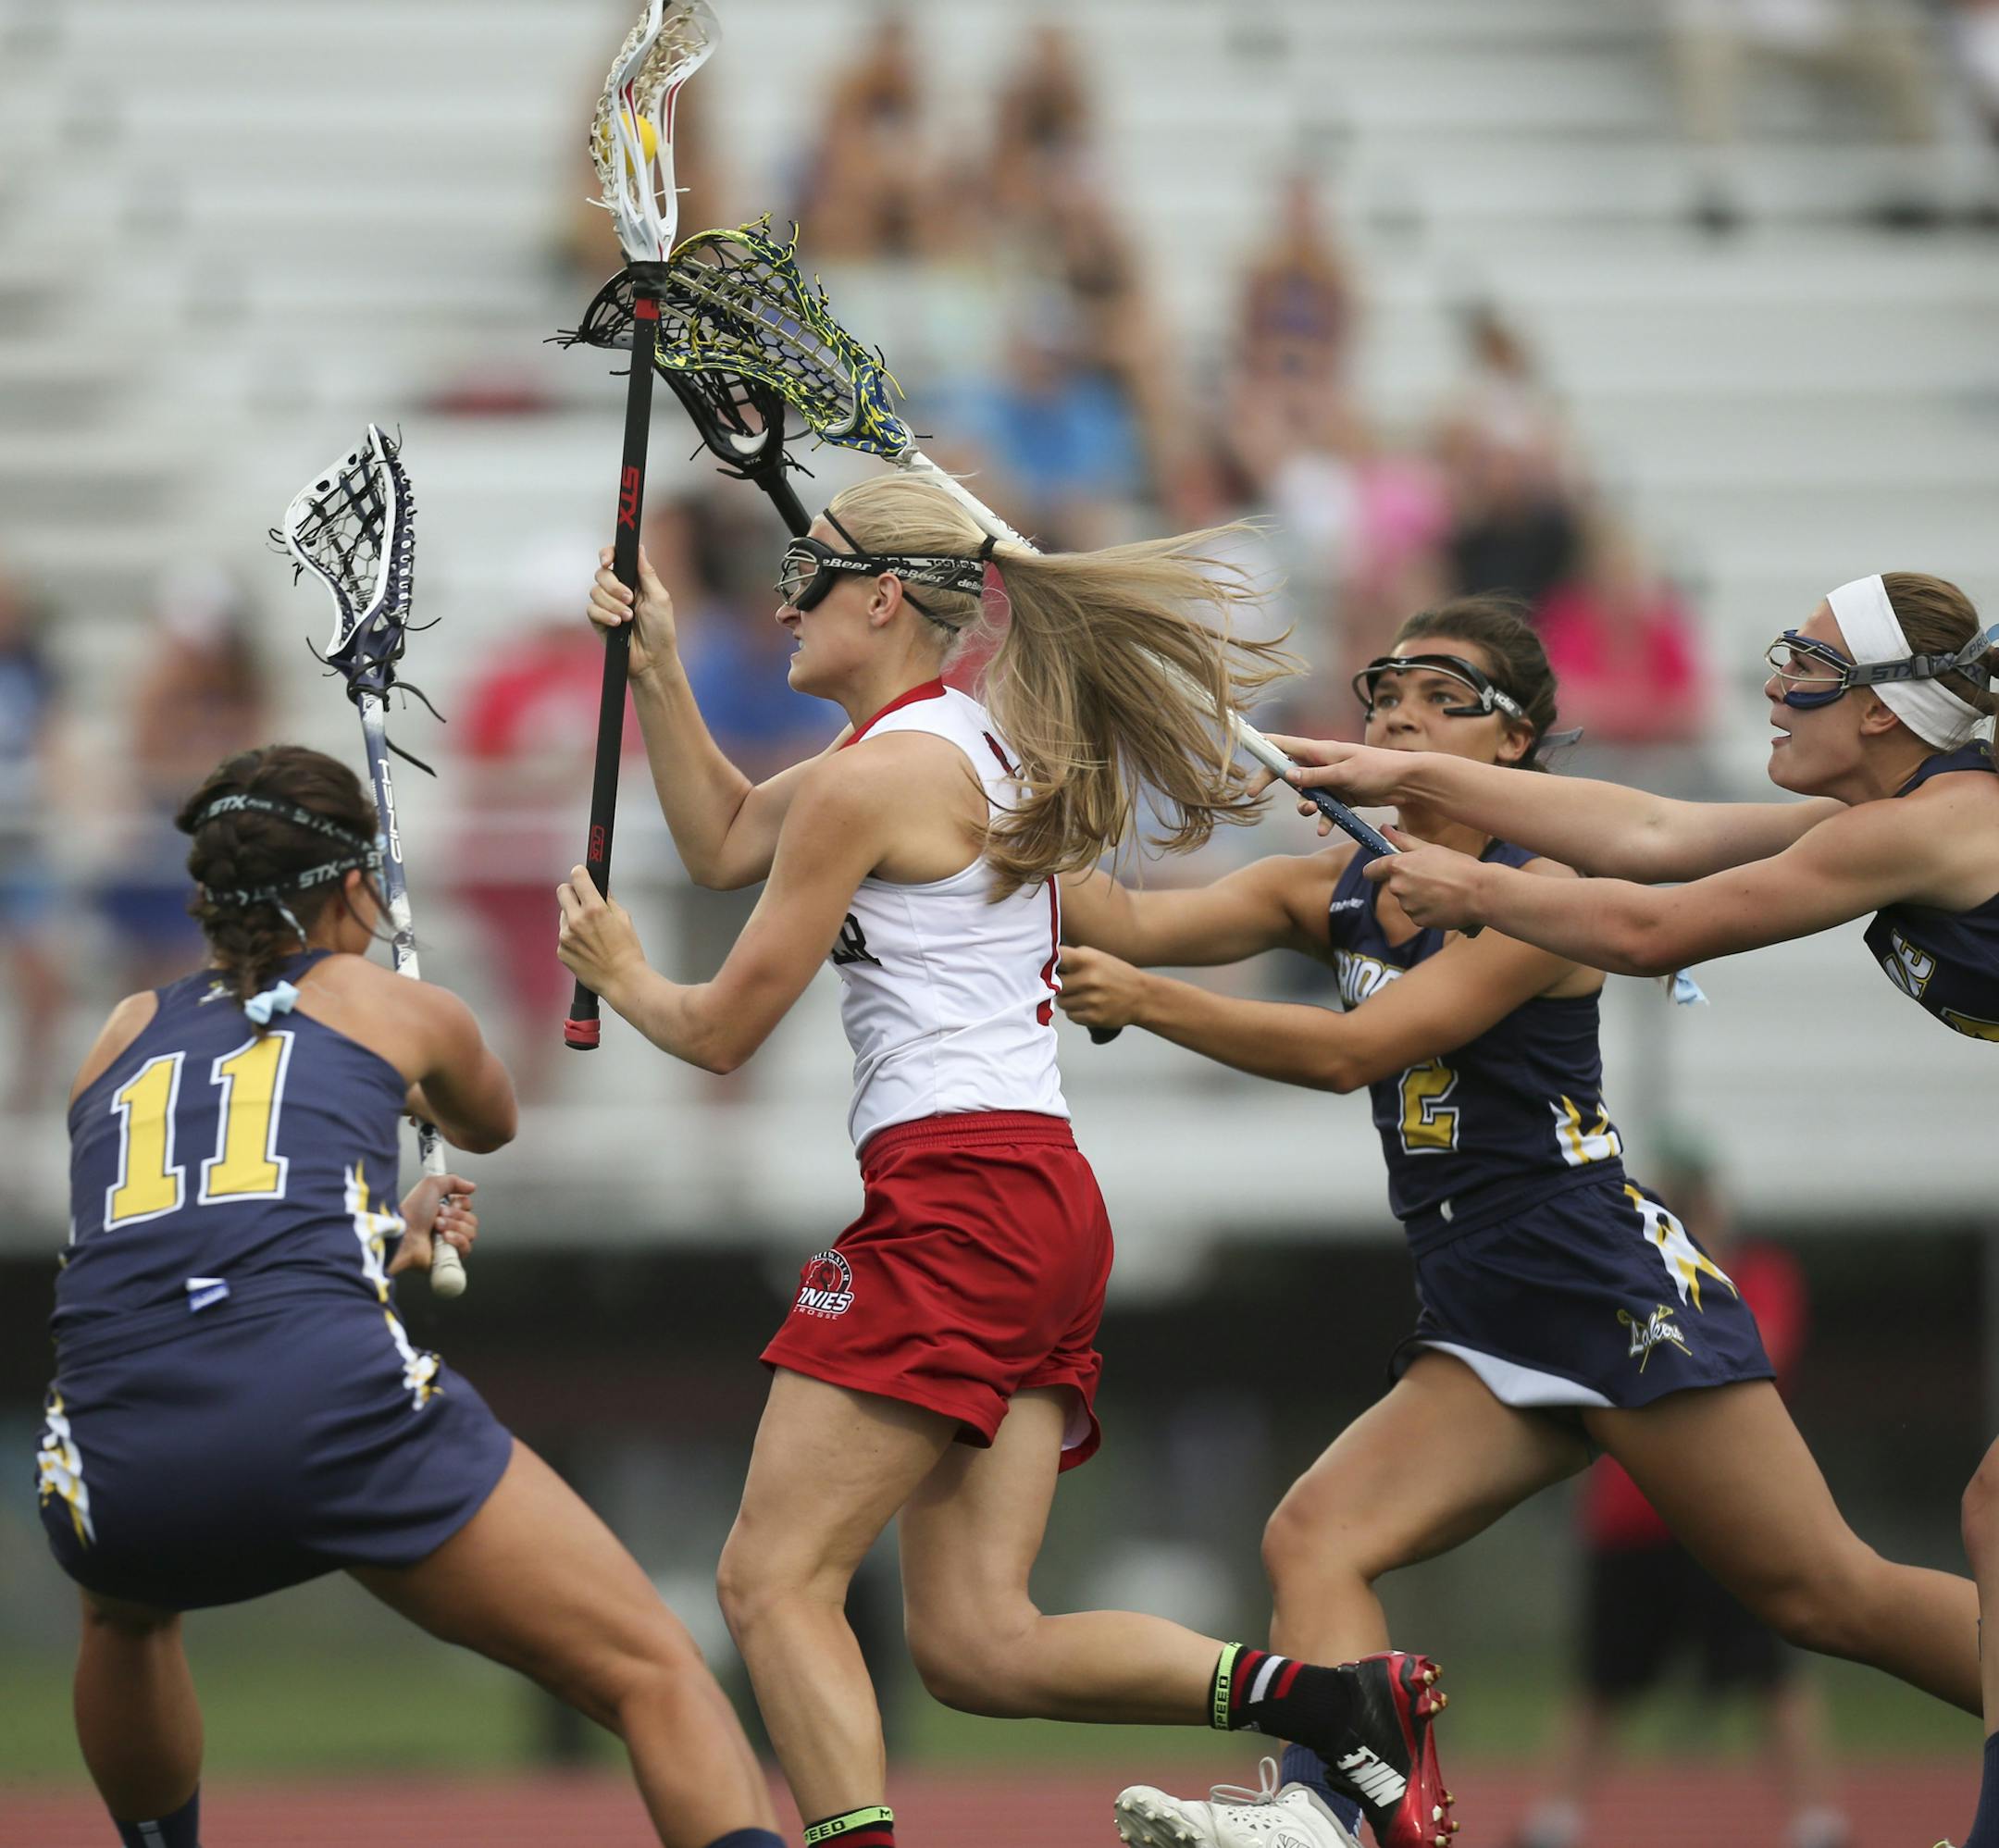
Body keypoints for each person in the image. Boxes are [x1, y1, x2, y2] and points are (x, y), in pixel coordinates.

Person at [556, 475, 1451, 1848]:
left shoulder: (871, 782)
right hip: (1044, 1202)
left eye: (813, 576)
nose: (784, 602)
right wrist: (664, 667)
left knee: (770, 1582)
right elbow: (730, 835)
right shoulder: (957, 748)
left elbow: (725, 1029)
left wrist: (624, 975)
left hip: (956, 1201)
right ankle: (1334, 1704)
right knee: (979, 1642)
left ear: (885, 597)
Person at [1047, 599, 1980, 1848]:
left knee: (1824, 1591)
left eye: (1445, 699)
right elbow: (1121, 919)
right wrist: (977, 795)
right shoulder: (1341, 887)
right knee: (1317, 1533)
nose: (1401, 718)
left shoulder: (1542, 898)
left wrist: (1154, 1003)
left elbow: (1367, 1046)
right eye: (1387, 694)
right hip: (1482, 1296)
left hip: (1597, 1275)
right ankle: (1333, 1811)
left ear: (1518, 744)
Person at [37, 743, 780, 1848]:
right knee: (653, 1668)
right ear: (350, 887)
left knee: (127, 1613)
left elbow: (191, 1246)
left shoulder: (122, 1033)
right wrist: (421, 1047)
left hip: (111, 1462)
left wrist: (375, 1230)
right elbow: (488, 1121)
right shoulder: (395, 1003)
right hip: (324, 1410)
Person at [1273, 572, 1999, 1038]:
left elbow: (1650, 931)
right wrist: (1400, 771)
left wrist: (1478, 887)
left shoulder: (1914, 829)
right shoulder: (1904, 815)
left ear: (1880, 711)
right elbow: (1651, 832)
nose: (1776, 687)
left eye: (1811, 666)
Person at [1508, 1148, 1849, 1848]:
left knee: (1770, 1667)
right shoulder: (1622, 1275)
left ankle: (1816, 1820)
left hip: (1729, 1510)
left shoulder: (1753, 1275)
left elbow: (1757, 1358)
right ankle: (1557, 1820)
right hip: (1630, 1516)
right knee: (1605, 1677)